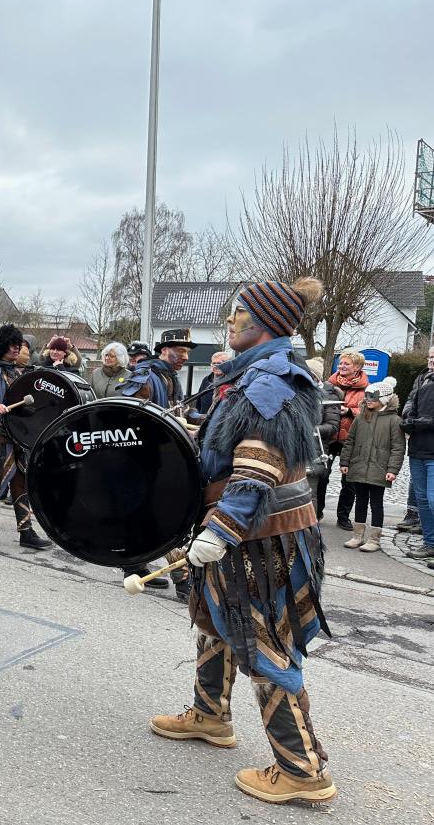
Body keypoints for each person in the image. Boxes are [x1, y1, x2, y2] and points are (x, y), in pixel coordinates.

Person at [150, 277, 336, 805]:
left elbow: (258, 467)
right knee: (213, 617)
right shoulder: (254, 373)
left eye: (238, 314)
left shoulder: (270, 380)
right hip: (251, 529)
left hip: (260, 538)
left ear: (264, 323)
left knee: (263, 642)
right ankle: (210, 714)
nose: (230, 321)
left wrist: (221, 530)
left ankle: (302, 768)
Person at [120, 329, 201, 595]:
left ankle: (135, 567)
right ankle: (181, 579)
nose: (185, 357)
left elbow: (180, 410)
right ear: (165, 350)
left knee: (145, 515)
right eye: (181, 351)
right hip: (143, 460)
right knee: (165, 516)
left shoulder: (169, 378)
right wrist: (174, 427)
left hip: (165, 456)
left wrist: (205, 420)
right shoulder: (145, 376)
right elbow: (130, 415)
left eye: (188, 353)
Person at [0, 324, 53, 550]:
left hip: (16, 437)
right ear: (1, 346)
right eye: (12, 345)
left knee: (20, 482)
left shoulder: (17, 372)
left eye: (18, 345)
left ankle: (26, 532)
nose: (17, 348)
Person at [339, 377, 403, 552]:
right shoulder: (360, 418)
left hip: (379, 468)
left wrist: (392, 469)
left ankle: (374, 539)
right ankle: (357, 535)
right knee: (360, 500)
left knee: (376, 503)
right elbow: (350, 441)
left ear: (383, 399)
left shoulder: (394, 420)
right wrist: (345, 461)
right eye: (367, 397)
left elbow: (398, 447)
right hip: (359, 465)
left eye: (372, 397)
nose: (368, 400)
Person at [326, 349, 368, 530]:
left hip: (350, 438)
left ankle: (343, 517)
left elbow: (368, 412)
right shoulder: (329, 384)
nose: (341, 366)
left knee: (349, 480)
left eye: (346, 364)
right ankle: (317, 511)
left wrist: (351, 412)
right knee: (321, 476)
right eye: (340, 363)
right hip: (328, 435)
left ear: (357, 367)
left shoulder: (366, 388)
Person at [402, 346, 434, 562]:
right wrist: (409, 419)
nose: (431, 360)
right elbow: (409, 405)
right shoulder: (422, 379)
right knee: (422, 499)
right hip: (417, 448)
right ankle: (430, 543)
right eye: (430, 356)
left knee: (432, 499)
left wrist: (414, 423)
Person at [304, 358, 343, 520]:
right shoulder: (298, 391)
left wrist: (309, 429)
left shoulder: (329, 395)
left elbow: (333, 426)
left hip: (316, 449)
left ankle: (310, 529)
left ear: (314, 376)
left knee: (310, 493)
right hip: (295, 449)